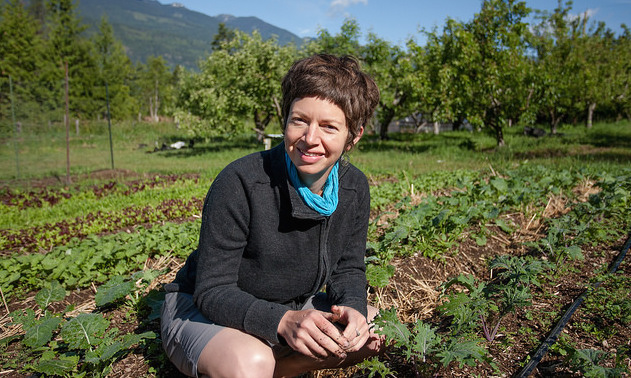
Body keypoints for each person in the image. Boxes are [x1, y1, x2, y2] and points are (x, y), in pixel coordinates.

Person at [160, 53, 382, 378]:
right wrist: (283, 321)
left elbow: (348, 267)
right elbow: (212, 290)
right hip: (205, 309)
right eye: (299, 120)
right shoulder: (242, 182)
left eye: (329, 127)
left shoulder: (353, 188)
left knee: (374, 332)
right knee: (251, 363)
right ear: (285, 120)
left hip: (291, 305)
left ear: (354, 135)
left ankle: (279, 371)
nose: (310, 139)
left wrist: (352, 308)